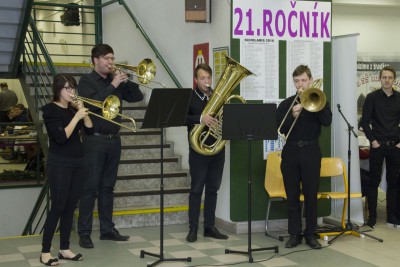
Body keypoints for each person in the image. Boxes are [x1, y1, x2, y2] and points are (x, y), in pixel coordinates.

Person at [77, 44, 144, 249]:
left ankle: (107, 230)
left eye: (113, 58)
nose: (111, 62)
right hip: (94, 140)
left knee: (108, 187)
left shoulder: (115, 81)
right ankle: (84, 233)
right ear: (95, 60)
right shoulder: (86, 81)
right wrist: (114, 84)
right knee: (90, 189)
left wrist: (128, 80)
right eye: (107, 58)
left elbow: (137, 97)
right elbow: (93, 104)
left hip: (114, 139)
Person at [276, 65, 332, 249]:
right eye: (297, 81)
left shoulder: (319, 101)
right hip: (291, 152)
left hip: (311, 152)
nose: (300, 84)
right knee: (292, 196)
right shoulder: (287, 104)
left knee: (310, 195)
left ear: (310, 80)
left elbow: (327, 121)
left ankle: (311, 234)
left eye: (303, 80)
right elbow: (280, 128)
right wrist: (293, 114)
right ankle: (295, 234)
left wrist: (315, 106)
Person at [40, 74, 93, 266]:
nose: (72, 92)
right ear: (58, 90)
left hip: (78, 162)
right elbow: (61, 137)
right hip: (59, 163)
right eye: (67, 88)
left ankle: (64, 248)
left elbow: (89, 130)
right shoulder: (49, 111)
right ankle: (45, 251)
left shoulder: (74, 110)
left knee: (70, 207)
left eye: (73, 88)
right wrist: (76, 116)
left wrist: (83, 113)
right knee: (58, 207)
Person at [185, 63, 228, 242]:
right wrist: (201, 119)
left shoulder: (217, 96)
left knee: (213, 189)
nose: (207, 81)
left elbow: (227, 117)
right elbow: (182, 117)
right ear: (196, 80)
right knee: (196, 190)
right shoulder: (190, 97)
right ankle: (193, 228)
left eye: (209, 78)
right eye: (202, 78)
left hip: (217, 150)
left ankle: (209, 227)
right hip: (198, 151)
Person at [360, 66, 400, 228]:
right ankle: (372, 217)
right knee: (373, 182)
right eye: (384, 77)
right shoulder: (372, 97)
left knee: (393, 183)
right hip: (377, 145)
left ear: (394, 80)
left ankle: (391, 217)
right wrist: (373, 141)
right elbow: (364, 122)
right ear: (380, 78)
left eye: (390, 77)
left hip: (395, 146)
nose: (387, 80)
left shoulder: (399, 98)